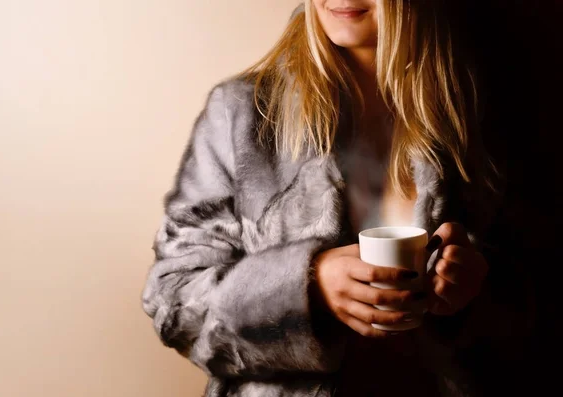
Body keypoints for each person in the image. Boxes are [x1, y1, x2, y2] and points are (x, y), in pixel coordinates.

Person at [141, 1, 536, 396]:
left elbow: (533, 299)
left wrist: (468, 292)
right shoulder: (244, 114)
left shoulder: (470, 114)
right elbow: (174, 304)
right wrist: (306, 288)